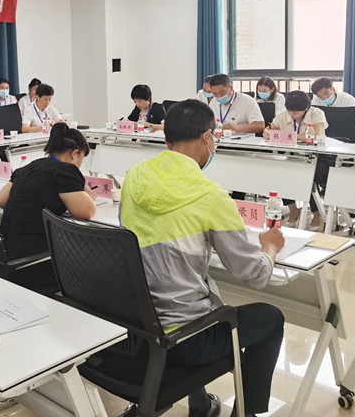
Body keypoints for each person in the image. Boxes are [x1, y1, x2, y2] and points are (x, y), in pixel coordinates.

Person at [121, 100, 285, 417]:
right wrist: (270, 248)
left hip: (137, 328)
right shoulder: (211, 196)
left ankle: (200, 403)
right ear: (207, 137)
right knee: (270, 318)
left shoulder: (133, 178)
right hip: (187, 339)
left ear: (167, 139)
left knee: (190, 289)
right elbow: (255, 275)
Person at [0, 123, 95, 260]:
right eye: (81, 160)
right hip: (34, 255)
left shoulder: (29, 167)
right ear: (74, 154)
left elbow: (1, 200)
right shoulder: (64, 170)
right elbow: (87, 212)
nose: (79, 165)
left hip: (6, 249)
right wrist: (84, 189)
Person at [264, 91, 329, 230]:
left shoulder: (316, 114)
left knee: (307, 176)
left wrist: (287, 135)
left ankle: (317, 213)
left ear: (306, 108)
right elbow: (269, 132)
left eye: (296, 112)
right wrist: (268, 132)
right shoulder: (283, 116)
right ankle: (293, 210)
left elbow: (314, 136)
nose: (292, 114)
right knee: (281, 172)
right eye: (290, 111)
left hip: (319, 157)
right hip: (294, 156)